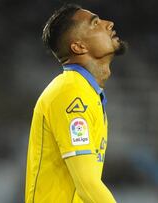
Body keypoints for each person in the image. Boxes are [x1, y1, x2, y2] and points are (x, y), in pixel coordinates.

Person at [24, 4, 127, 203]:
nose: (109, 23)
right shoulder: (71, 94)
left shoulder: (86, 93)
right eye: (95, 23)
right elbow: (87, 185)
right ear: (79, 47)